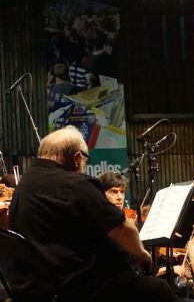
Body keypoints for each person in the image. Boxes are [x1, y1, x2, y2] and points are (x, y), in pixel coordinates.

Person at [8, 126, 177, 302]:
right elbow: (122, 229)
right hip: (73, 290)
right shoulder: (75, 184)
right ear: (76, 158)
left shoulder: (23, 185)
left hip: (32, 289)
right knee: (158, 289)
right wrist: (142, 254)